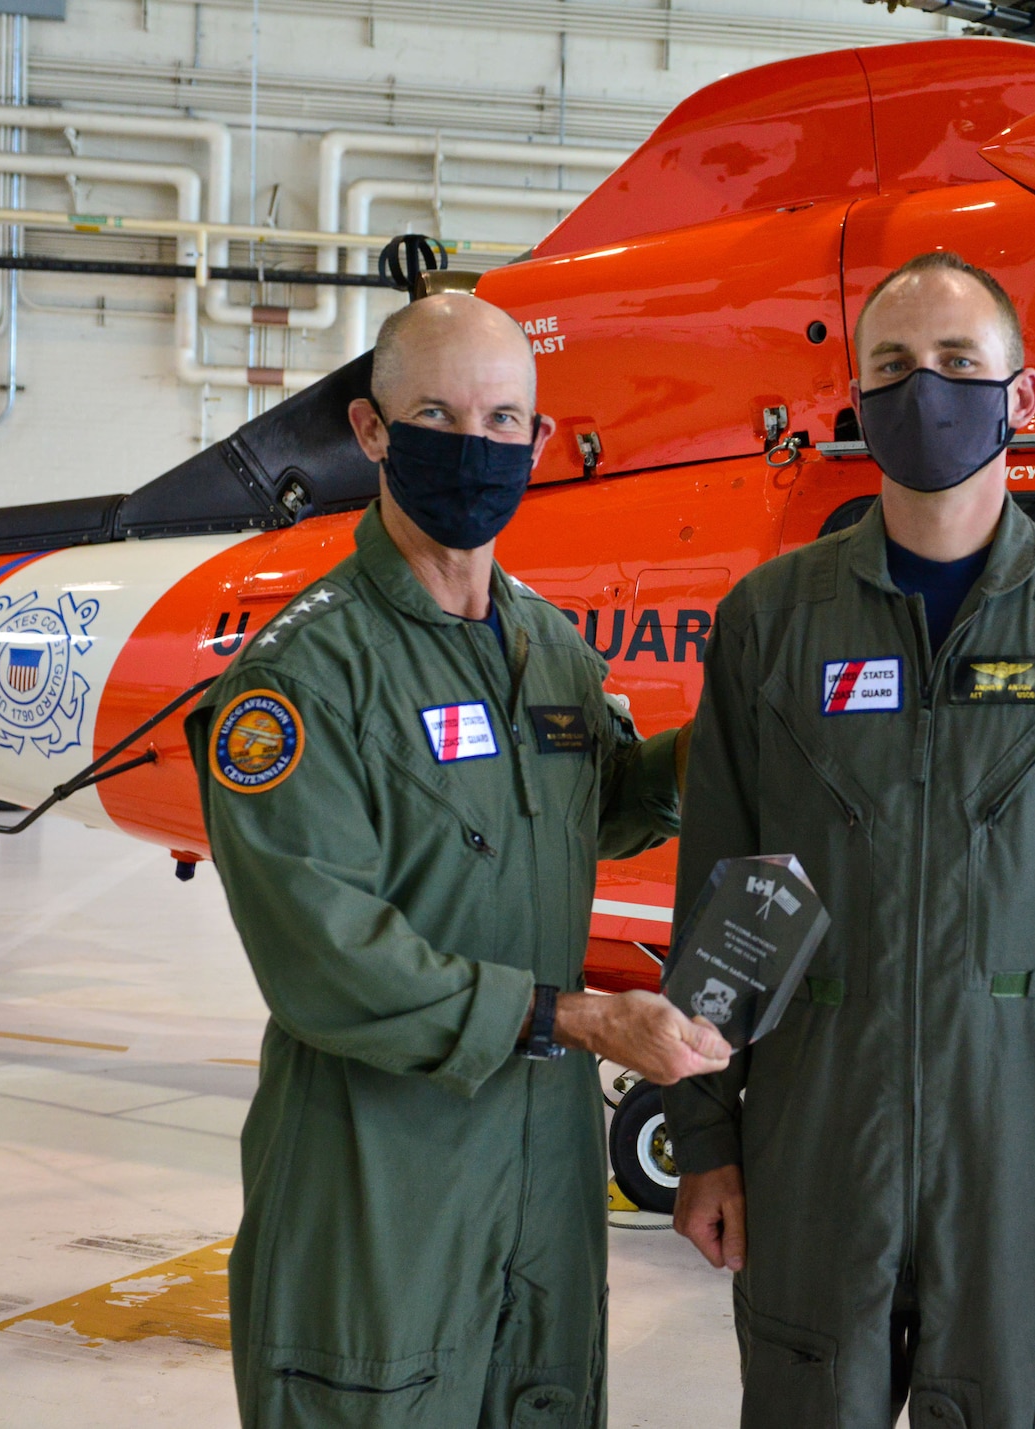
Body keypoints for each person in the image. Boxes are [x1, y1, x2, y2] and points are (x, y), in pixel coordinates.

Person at [663, 251, 1035, 1428]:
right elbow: (723, 894)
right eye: (895, 368)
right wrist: (706, 1136)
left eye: (959, 364)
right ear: (857, 403)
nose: (927, 390)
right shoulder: (772, 620)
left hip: (1022, 1153)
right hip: (817, 1140)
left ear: (1020, 396)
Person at [185, 292, 732, 1429]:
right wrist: (579, 1020)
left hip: (541, 1165)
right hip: (376, 1171)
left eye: (499, 421)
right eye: (434, 413)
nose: (471, 446)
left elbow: (605, 801)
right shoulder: (303, 679)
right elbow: (325, 958)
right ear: (372, 432)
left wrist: (728, 730)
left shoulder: (549, 649)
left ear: (538, 443)